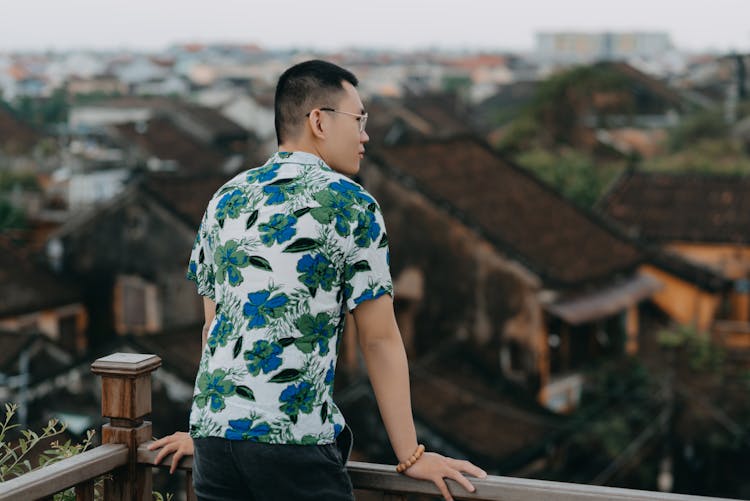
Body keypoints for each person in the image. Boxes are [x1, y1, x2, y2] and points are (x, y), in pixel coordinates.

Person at [148, 59, 486, 501]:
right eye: (359, 119)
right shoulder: (350, 204)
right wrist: (410, 455)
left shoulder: (227, 197)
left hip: (214, 441)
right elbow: (379, 339)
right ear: (319, 121)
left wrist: (221, 425)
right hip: (291, 446)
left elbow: (216, 330)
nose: (366, 135)